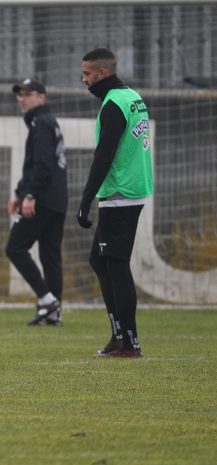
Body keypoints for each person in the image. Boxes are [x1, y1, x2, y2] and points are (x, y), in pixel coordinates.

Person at [78, 48, 153, 359]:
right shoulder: (131, 96)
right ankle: (119, 335)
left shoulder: (113, 105)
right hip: (131, 188)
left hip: (121, 192)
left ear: (101, 74)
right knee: (99, 260)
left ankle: (129, 342)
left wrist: (85, 199)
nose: (83, 80)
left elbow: (104, 156)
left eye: (86, 74)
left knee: (116, 263)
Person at [6, 78, 68, 326]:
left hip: (42, 199)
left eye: (28, 94)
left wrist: (29, 196)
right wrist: (20, 192)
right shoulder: (48, 122)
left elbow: (41, 166)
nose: (22, 99)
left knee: (15, 248)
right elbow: (38, 165)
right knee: (50, 256)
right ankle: (53, 313)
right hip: (57, 199)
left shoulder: (41, 123)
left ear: (42, 97)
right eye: (20, 94)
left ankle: (46, 299)